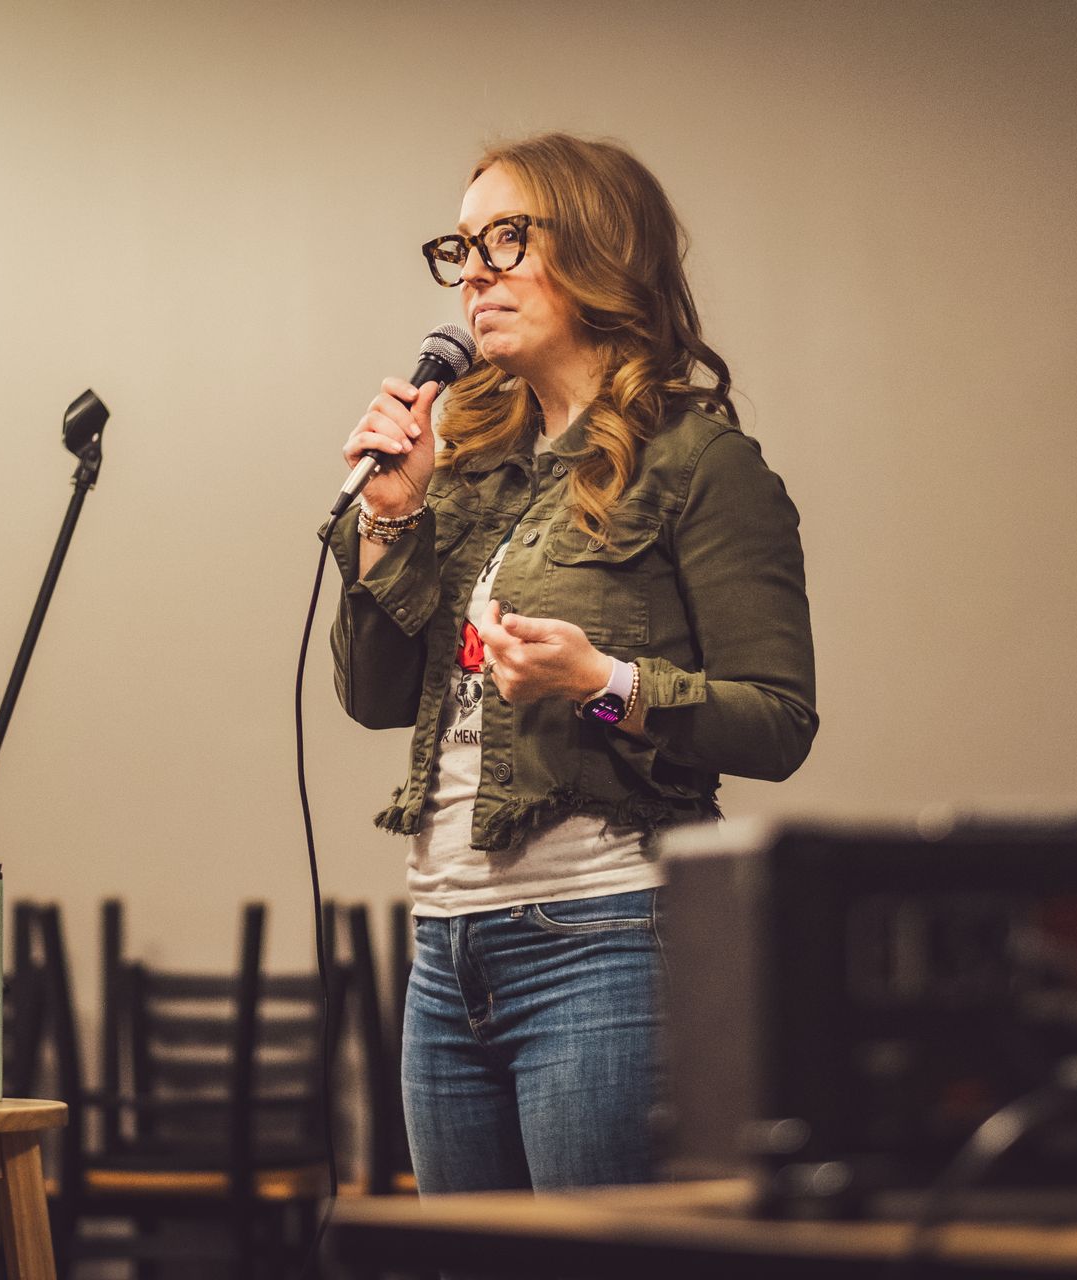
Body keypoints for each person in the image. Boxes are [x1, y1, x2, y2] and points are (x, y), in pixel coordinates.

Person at [324, 132, 816, 1193]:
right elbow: (371, 698)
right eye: (460, 248)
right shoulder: (471, 473)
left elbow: (778, 720)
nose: (478, 272)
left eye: (508, 236)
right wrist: (389, 518)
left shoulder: (699, 464)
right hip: (445, 951)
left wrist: (606, 684)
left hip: (607, 935)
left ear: (600, 249)